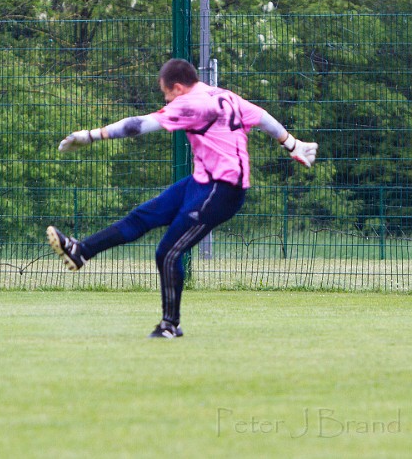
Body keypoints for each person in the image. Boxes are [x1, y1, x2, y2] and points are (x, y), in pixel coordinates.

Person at [46, 58, 318, 339]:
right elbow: (261, 116)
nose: (166, 99)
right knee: (142, 217)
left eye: (166, 93)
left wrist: (92, 135)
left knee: (168, 251)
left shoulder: (191, 104)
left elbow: (138, 125)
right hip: (202, 181)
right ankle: (81, 252)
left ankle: (170, 325)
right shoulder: (223, 95)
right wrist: (292, 143)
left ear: (177, 87)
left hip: (222, 190)